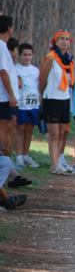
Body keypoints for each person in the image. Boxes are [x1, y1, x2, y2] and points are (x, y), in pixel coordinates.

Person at [39, 30, 74, 175]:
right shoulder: (51, 58)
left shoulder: (69, 59)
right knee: (53, 135)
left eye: (67, 39)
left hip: (65, 98)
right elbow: (42, 80)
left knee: (61, 133)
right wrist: (42, 96)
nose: (64, 42)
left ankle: (58, 162)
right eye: (61, 39)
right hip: (52, 99)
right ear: (56, 41)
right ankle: (54, 165)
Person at [14, 43, 41, 169]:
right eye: (25, 55)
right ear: (20, 55)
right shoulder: (16, 69)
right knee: (20, 129)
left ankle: (26, 155)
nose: (27, 57)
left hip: (33, 104)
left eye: (30, 55)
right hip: (21, 104)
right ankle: (19, 156)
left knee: (29, 130)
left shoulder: (36, 70)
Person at [0, 16, 19, 169]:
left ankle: (8, 166)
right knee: (4, 130)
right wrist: (11, 94)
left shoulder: (3, 46)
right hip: (3, 97)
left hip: (5, 96)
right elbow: (3, 72)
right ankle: (5, 165)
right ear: (8, 28)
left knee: (8, 129)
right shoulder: (0, 46)